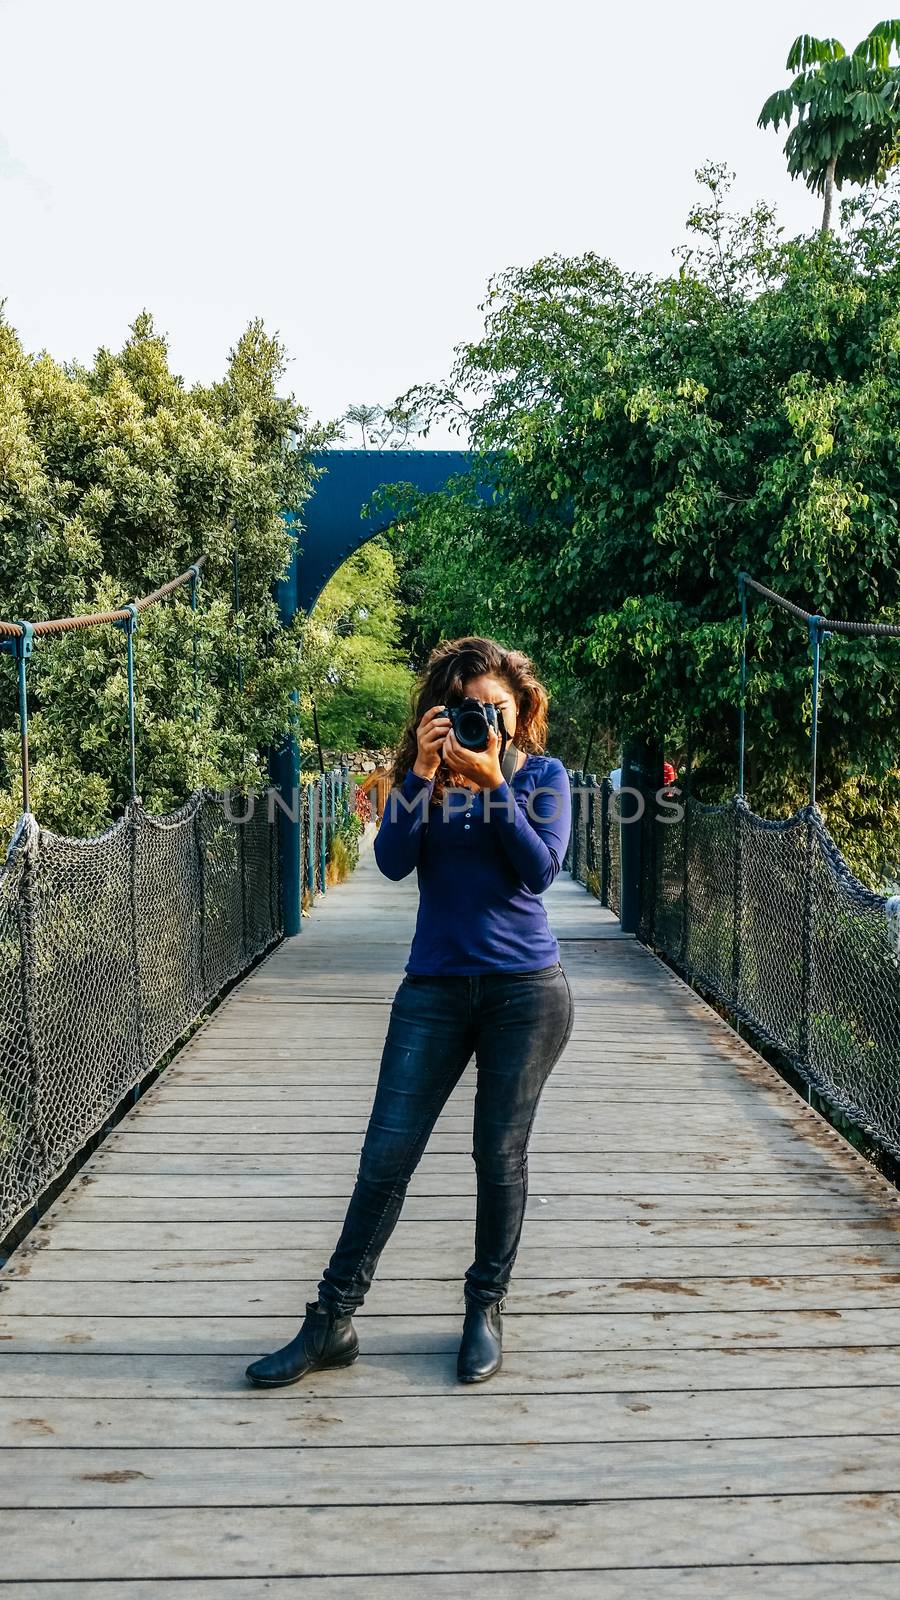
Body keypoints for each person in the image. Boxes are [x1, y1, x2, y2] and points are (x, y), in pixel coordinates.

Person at [245, 636, 575, 1389]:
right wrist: (423, 773)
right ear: (438, 713)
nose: (481, 720)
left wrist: (493, 781)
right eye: (466, 709)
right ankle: (332, 1321)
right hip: (432, 988)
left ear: (521, 710)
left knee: (498, 1155)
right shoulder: (419, 777)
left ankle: (484, 1310)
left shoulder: (544, 776)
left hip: (526, 992)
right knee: (385, 1157)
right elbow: (391, 860)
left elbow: (539, 872)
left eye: (495, 707)